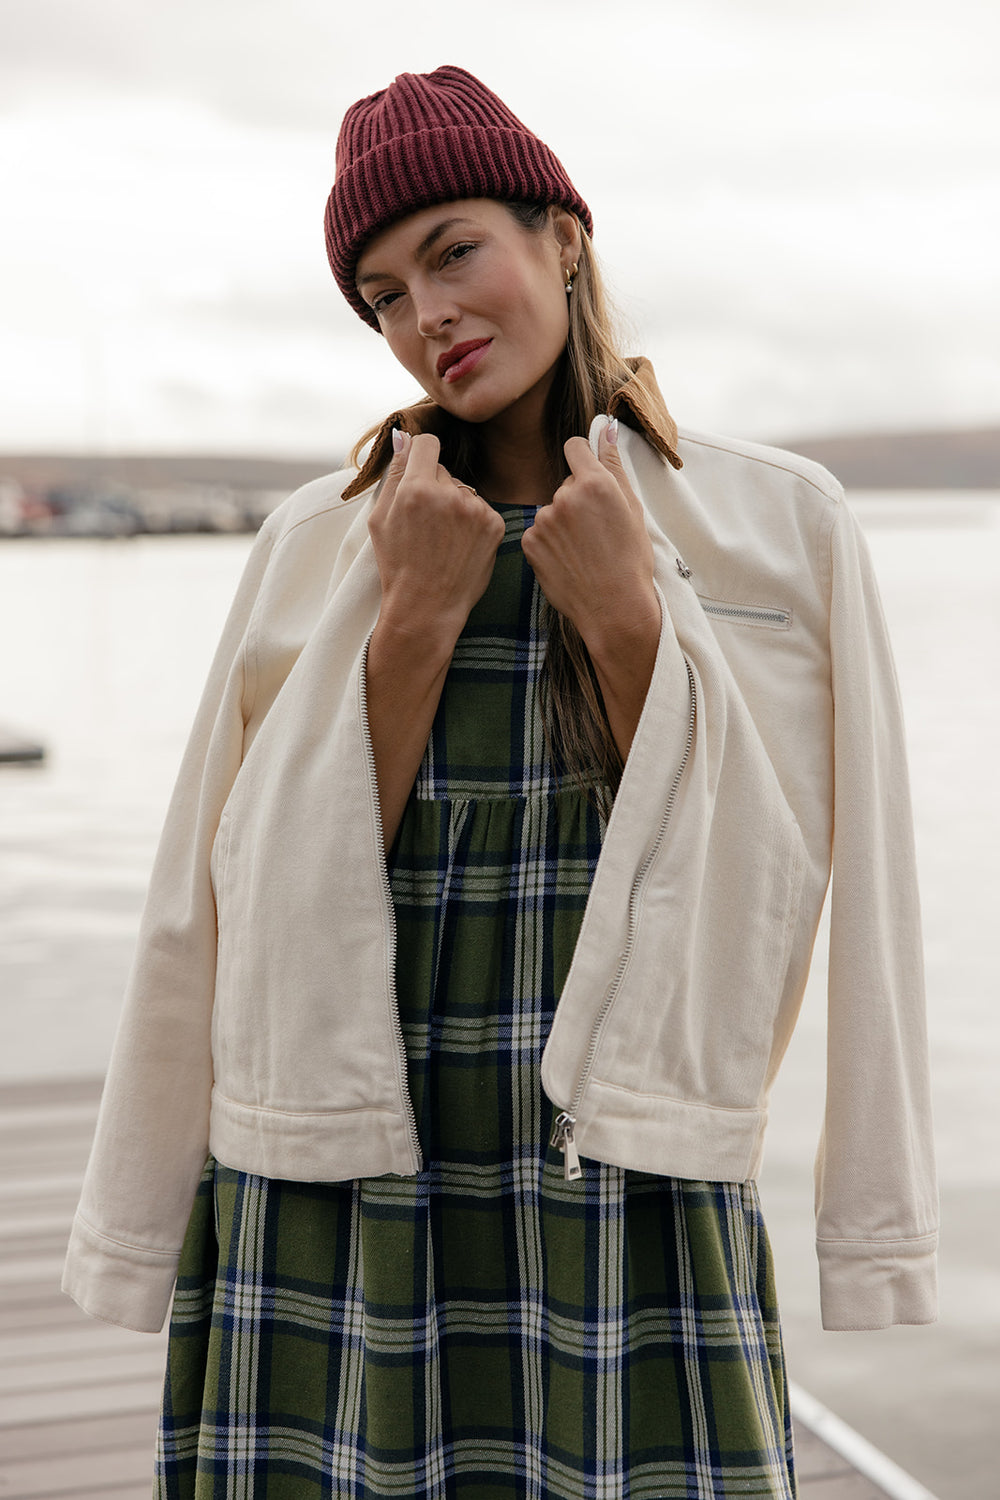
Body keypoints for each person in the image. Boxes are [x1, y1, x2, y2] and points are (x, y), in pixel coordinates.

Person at [62, 66, 938, 1499]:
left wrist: (629, 623)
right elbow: (220, 903)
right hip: (336, 1189)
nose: (427, 315)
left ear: (563, 238)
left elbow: (820, 888)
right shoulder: (319, 542)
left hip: (634, 1197)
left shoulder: (783, 528)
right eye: (383, 295)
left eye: (454, 251)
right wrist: (413, 619)